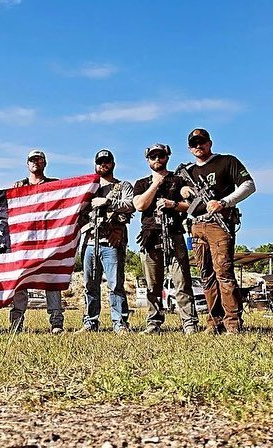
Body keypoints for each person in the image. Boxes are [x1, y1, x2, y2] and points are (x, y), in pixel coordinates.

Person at [182, 128, 255, 334]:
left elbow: (249, 185)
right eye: (194, 143)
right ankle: (214, 322)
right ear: (190, 148)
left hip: (219, 223)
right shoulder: (189, 171)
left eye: (202, 142)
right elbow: (181, 196)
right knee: (206, 275)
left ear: (210, 143)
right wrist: (184, 191)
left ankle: (232, 323)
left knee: (223, 272)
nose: (199, 146)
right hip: (197, 226)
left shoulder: (227, 161)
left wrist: (224, 202)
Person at [133, 144, 199, 334]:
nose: (157, 159)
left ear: (167, 157)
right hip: (150, 236)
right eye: (153, 156)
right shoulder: (142, 183)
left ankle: (189, 323)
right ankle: (154, 323)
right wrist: (156, 184)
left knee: (182, 281)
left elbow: (192, 204)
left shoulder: (178, 180)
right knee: (153, 285)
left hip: (174, 234)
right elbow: (139, 205)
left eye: (160, 156)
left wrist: (173, 204)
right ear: (147, 160)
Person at [79, 150, 134, 333]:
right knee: (89, 285)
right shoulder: (87, 188)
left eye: (106, 161)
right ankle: (90, 321)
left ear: (113, 164)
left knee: (115, 284)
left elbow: (130, 204)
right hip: (89, 241)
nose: (103, 164)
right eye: (100, 162)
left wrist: (108, 202)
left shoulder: (123, 186)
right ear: (95, 165)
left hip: (111, 242)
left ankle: (119, 322)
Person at [10, 150, 65, 333]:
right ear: (27, 164)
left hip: (49, 240)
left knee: (52, 279)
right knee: (21, 280)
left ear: (44, 163)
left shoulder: (54, 185)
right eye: (32, 160)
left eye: (39, 160)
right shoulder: (19, 187)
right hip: (25, 241)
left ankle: (56, 321)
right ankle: (17, 321)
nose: (35, 163)